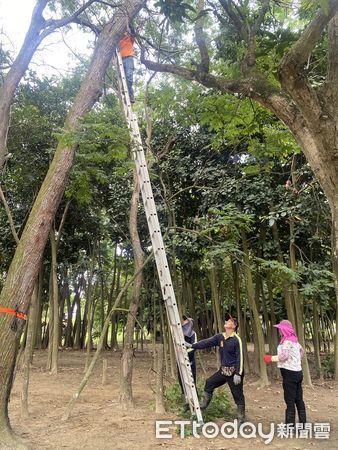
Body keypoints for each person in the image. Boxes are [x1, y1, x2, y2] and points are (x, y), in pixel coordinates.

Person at [187, 314, 245, 424]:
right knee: (209, 382)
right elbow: (207, 342)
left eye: (230, 321)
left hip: (234, 373)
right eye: (227, 320)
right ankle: (203, 406)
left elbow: (240, 357)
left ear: (234, 326)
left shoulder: (237, 340)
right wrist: (192, 345)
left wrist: (238, 373)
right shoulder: (220, 337)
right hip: (223, 371)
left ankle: (241, 419)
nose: (227, 321)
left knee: (237, 394)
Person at [263, 320, 306, 426]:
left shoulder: (286, 341)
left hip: (289, 374)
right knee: (299, 399)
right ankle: (303, 425)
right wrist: (295, 361)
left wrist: (270, 358)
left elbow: (284, 356)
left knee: (289, 400)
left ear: (284, 330)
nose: (279, 331)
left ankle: (290, 426)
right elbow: (302, 351)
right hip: (298, 372)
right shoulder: (295, 340)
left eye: (280, 329)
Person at [178, 315, 197, 411]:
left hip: (190, 361)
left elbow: (194, 347)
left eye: (185, 321)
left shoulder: (193, 334)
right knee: (181, 381)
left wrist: (185, 351)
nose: (183, 322)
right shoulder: (180, 334)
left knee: (192, 382)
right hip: (181, 361)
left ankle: (195, 404)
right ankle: (186, 403)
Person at [118, 29, 135, 103]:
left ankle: (129, 93)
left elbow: (134, 33)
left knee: (129, 75)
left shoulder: (130, 39)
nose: (124, 33)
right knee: (123, 78)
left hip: (129, 58)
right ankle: (128, 94)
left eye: (125, 32)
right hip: (121, 60)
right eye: (123, 31)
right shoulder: (119, 41)